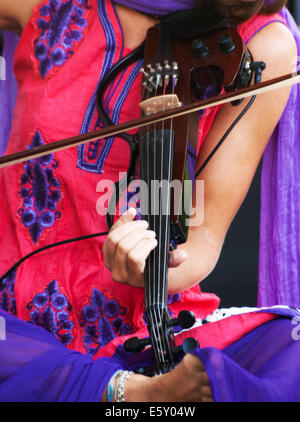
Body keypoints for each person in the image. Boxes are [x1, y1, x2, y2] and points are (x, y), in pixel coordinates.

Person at [0, 0, 300, 402]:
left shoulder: (264, 44)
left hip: (148, 330)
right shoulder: (48, 5)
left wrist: (158, 269)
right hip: (14, 321)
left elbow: (202, 239)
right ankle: (130, 395)